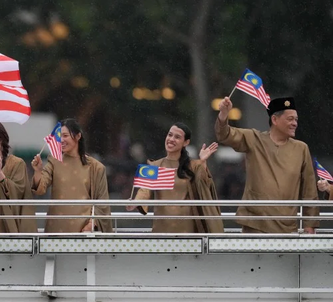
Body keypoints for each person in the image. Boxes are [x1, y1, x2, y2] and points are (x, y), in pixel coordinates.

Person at [215, 96, 319, 233]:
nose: (295, 123)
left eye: (296, 119)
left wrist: (309, 224)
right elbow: (225, 135)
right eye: (290, 119)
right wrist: (223, 114)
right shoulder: (254, 139)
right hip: (255, 225)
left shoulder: (301, 149)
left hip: (287, 227)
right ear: (275, 120)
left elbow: (309, 190)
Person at [126, 123, 224, 233]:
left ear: (186, 142)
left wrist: (202, 161)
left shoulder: (194, 166)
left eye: (177, 137)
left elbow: (205, 185)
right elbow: (145, 189)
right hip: (162, 226)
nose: (171, 139)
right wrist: (135, 202)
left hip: (187, 227)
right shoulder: (154, 165)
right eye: (170, 135)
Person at [31, 118, 112, 233]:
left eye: (65, 136)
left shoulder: (95, 167)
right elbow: (40, 189)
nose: (62, 140)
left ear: (78, 136)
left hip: (84, 232)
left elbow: (102, 204)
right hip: (56, 229)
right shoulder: (54, 161)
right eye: (60, 137)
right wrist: (38, 170)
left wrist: (90, 225)